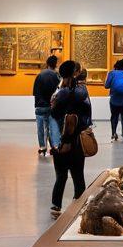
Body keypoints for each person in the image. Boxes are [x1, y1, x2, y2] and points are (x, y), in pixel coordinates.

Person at [50, 60, 93, 219]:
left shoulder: (59, 93)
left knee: (60, 176)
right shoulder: (82, 92)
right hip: (76, 141)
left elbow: (53, 116)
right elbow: (87, 117)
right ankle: (80, 205)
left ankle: (56, 206)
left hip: (60, 142)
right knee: (78, 175)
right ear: (75, 73)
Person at [33, 54, 61, 157]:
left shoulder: (40, 75)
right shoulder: (57, 76)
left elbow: (35, 92)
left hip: (40, 106)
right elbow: (59, 92)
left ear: (47, 64)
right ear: (55, 65)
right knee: (53, 127)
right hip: (51, 106)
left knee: (41, 128)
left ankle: (42, 147)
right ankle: (55, 146)